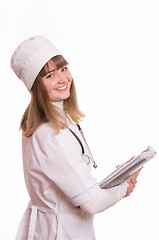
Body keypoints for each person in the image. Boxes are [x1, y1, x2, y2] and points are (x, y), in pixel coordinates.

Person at [10, 36, 141, 240]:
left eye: (63, 69)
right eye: (50, 75)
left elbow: (75, 183)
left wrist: (116, 183)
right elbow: (92, 202)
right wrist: (123, 188)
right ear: (36, 86)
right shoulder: (52, 135)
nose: (63, 79)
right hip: (61, 232)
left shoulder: (48, 122)